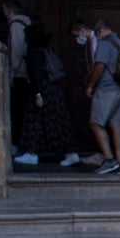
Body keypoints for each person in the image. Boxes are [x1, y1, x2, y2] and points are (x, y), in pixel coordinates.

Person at [16, 19, 79, 167]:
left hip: (42, 90)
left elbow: (37, 75)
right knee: (58, 122)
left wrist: (38, 94)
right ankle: (70, 153)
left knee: (34, 122)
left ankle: (31, 152)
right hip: (53, 90)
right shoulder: (46, 50)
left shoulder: (34, 53)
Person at [83, 20, 120, 175]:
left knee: (96, 123)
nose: (97, 37)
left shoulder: (104, 43)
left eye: (97, 34)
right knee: (117, 127)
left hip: (108, 90)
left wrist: (90, 85)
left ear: (101, 30)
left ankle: (109, 160)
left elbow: (100, 66)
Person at [3, 0, 34, 158]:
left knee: (17, 112)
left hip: (20, 75)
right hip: (28, 75)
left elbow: (16, 50)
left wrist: (13, 72)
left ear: (8, 10)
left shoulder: (15, 25)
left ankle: (17, 145)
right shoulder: (27, 24)